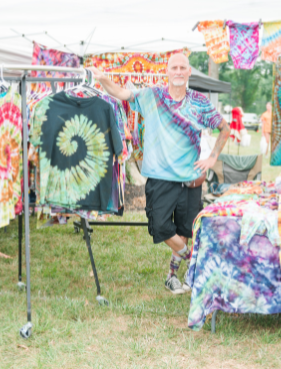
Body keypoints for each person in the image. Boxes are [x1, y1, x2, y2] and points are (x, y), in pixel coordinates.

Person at [95, 53, 230, 294]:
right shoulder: (152, 96)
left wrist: (212, 158)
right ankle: (196, 262)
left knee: (185, 229)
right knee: (158, 225)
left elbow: (224, 128)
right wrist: (104, 78)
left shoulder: (199, 102)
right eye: (174, 67)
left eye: (183, 68)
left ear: (189, 72)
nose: (178, 71)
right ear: (167, 71)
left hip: (190, 178)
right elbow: (121, 93)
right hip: (159, 177)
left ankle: (173, 276)